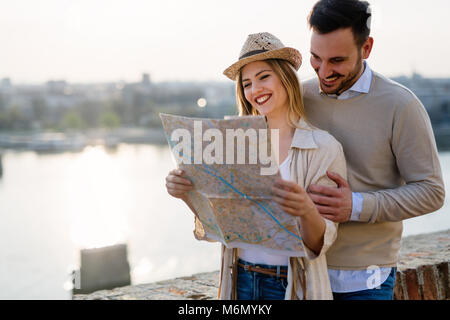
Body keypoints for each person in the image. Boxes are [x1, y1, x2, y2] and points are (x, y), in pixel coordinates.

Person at [165, 32, 347, 299]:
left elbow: (322, 242)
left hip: (291, 284)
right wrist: (185, 194)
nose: (255, 90)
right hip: (238, 280)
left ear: (286, 78)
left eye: (264, 77)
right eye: (247, 84)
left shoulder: (322, 147)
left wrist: (307, 210)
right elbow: (221, 226)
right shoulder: (233, 145)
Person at [302, 0, 445, 300]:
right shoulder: (298, 97)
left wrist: (354, 205)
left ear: (366, 48)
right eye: (316, 57)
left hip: (366, 281)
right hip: (301, 273)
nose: (324, 72)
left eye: (337, 60)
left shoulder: (401, 105)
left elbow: (432, 192)